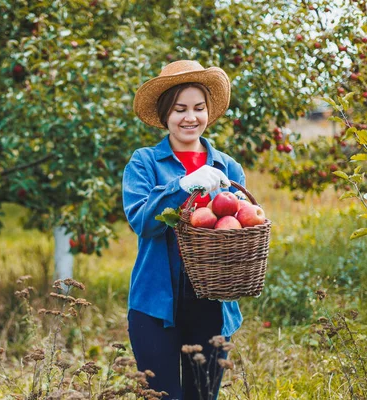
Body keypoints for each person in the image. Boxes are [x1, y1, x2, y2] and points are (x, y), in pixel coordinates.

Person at [122, 60, 246, 400]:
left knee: (203, 396)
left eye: (198, 108)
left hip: (211, 301)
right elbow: (143, 223)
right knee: (163, 397)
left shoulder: (228, 167)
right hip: (155, 303)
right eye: (180, 109)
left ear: (208, 112)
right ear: (165, 115)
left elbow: (239, 227)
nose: (190, 118)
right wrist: (183, 186)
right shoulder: (144, 163)